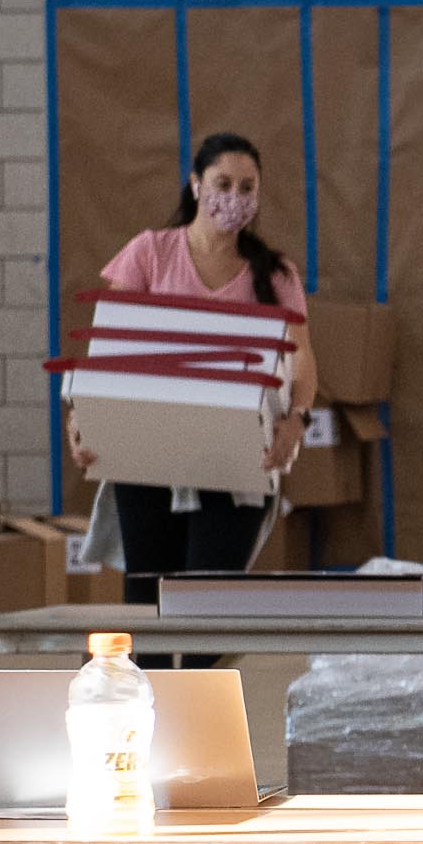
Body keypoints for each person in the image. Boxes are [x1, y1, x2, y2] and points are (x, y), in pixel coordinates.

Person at [67, 131, 317, 576]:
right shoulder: (149, 253)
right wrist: (82, 418)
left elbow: (303, 359)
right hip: (148, 454)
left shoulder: (276, 275)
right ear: (196, 185)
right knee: (148, 600)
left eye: (246, 188)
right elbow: (109, 348)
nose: (234, 197)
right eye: (222, 184)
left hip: (234, 458)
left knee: (211, 599)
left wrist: (296, 420)